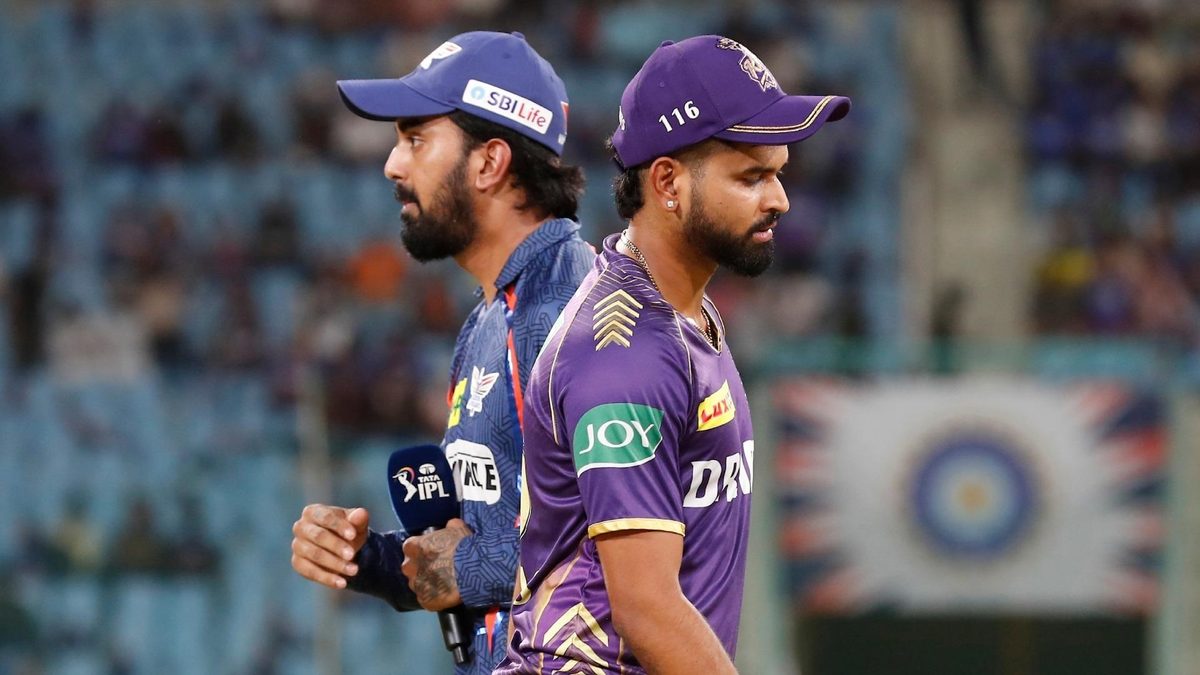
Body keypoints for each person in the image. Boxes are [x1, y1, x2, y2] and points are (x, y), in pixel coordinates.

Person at [497, 36, 850, 673]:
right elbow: (647, 609)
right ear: (667, 182)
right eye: (752, 177)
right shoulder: (625, 353)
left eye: (778, 174)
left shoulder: (682, 311)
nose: (779, 200)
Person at [288, 31, 594, 674]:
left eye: (416, 139)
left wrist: (468, 566)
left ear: (489, 163)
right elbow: (473, 550)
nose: (392, 165)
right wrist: (370, 559)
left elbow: (633, 547)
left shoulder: (570, 314)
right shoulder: (489, 318)